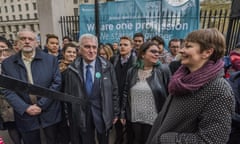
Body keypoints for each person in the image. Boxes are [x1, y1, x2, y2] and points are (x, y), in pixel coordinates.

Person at [146, 28, 235, 144]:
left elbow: (212, 140)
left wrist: (165, 139)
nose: (181, 50)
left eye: (188, 46)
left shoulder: (219, 90)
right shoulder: (182, 79)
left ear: (207, 52)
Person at [1, 28, 62, 144]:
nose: (27, 41)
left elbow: (56, 84)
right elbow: (7, 90)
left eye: (30, 39)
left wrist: (41, 105)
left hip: (49, 113)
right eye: (23, 39)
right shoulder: (8, 64)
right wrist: (25, 108)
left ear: (36, 42)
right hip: (25, 116)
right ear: (17, 43)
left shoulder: (50, 60)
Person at [63, 33, 119, 144]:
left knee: (104, 140)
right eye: (87, 47)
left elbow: (114, 91)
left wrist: (115, 112)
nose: (91, 50)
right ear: (79, 49)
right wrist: (68, 116)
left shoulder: (107, 67)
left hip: (102, 112)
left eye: (94, 47)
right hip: (82, 114)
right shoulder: (72, 70)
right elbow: (67, 95)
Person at [120, 41, 171, 144]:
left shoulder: (163, 70)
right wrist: (123, 113)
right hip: (135, 118)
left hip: (155, 120)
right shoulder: (132, 71)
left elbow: (170, 95)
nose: (157, 54)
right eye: (153, 51)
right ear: (143, 54)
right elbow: (125, 93)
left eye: (158, 52)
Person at [110, 36, 137, 144]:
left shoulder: (136, 62)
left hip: (130, 101)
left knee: (130, 131)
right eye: (120, 44)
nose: (122, 47)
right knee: (118, 130)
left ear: (131, 47)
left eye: (125, 45)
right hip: (116, 98)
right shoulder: (114, 60)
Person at [0, 36, 22, 144]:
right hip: (4, 106)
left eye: (3, 48)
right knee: (12, 128)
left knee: (24, 128)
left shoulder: (16, 62)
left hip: (19, 101)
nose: (1, 51)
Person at [58, 42, 78, 144]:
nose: (72, 54)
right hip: (63, 106)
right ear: (63, 53)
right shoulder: (58, 68)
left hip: (76, 106)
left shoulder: (79, 67)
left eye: (74, 52)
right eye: (69, 52)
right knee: (65, 135)